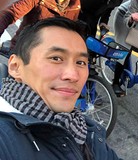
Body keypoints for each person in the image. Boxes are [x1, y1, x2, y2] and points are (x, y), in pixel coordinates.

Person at [0, 17, 121, 159]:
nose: (73, 75)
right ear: (15, 67)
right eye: (56, 58)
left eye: (81, 62)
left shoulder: (82, 128)